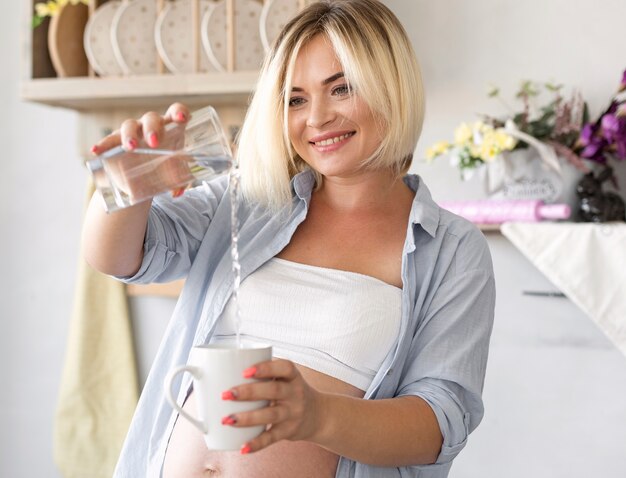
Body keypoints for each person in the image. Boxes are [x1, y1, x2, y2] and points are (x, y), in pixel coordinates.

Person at [84, 0, 496, 476]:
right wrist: (130, 184)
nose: (316, 118)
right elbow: (117, 257)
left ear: (393, 86)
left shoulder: (450, 249)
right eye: (295, 99)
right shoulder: (248, 199)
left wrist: (316, 416)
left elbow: (439, 425)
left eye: (341, 88)